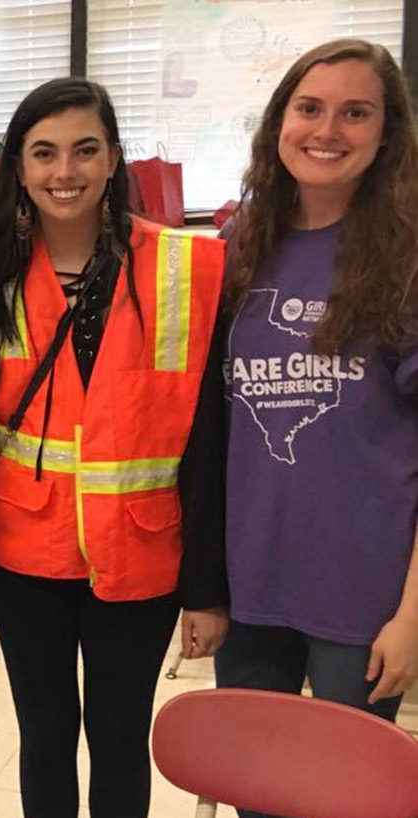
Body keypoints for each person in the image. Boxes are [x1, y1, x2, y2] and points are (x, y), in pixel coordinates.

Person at [0, 78, 229, 818]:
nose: (64, 171)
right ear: (18, 165)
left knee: (117, 737)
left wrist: (208, 589)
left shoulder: (193, 269)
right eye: (43, 153)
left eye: (85, 150)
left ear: (114, 159)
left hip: (142, 553)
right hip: (22, 551)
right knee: (44, 737)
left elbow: (209, 446)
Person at [215, 39, 418, 817]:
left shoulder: (404, 262)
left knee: (346, 802)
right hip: (252, 589)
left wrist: (410, 616)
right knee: (258, 798)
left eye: (355, 112)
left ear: (387, 135)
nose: (327, 130)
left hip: (363, 605)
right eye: (310, 108)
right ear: (279, 123)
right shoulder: (237, 252)